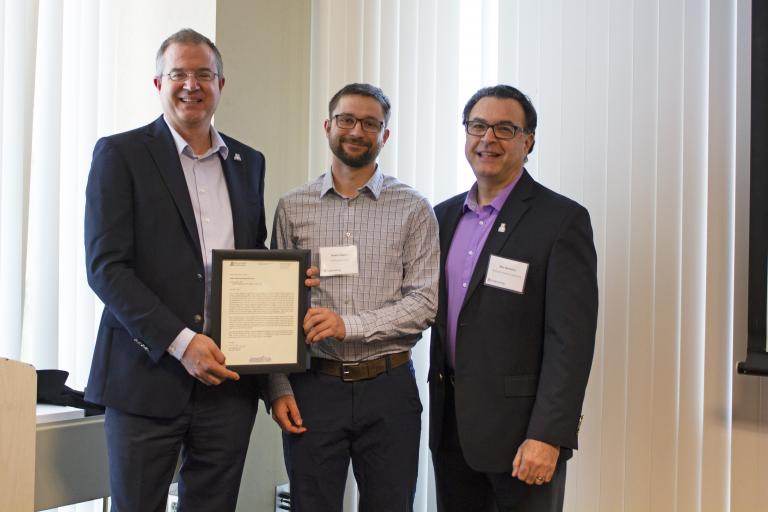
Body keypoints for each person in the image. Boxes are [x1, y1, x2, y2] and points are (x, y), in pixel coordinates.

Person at [84, 28, 316, 511]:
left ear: (221, 84)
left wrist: (288, 285)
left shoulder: (248, 162)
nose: (191, 84)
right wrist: (181, 342)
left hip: (228, 384)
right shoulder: (120, 154)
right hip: (145, 378)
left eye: (203, 74)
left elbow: (251, 256)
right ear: (158, 83)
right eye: (179, 74)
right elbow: (107, 268)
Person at [269, 83, 440, 511]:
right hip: (313, 388)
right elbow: (275, 305)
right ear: (328, 126)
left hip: (389, 388)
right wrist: (277, 388)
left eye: (370, 123)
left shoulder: (414, 208)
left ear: (385, 135)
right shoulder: (293, 207)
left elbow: (424, 302)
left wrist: (351, 325)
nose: (356, 130)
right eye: (347, 119)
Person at [429, 85, 598, 512]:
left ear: (529, 140)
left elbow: (570, 343)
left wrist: (549, 435)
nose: (488, 139)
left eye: (505, 128)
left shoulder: (561, 221)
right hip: (451, 431)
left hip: (522, 438)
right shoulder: (442, 217)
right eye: (478, 126)